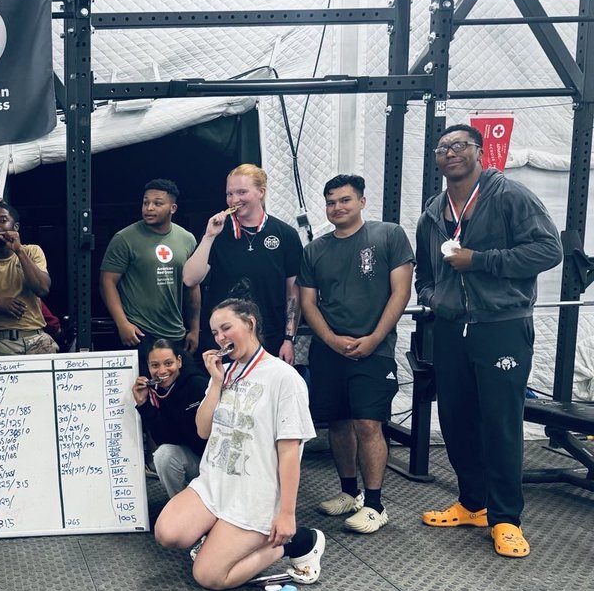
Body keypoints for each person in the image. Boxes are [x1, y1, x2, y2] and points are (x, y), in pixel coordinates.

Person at [415, 124, 562, 558]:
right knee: (457, 418)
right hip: (451, 326)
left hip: (501, 323)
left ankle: (506, 519)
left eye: (459, 145)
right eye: (442, 149)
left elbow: (548, 250)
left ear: (479, 152)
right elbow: (426, 270)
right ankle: (473, 503)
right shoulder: (432, 210)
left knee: (500, 421)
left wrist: (478, 260)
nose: (450, 153)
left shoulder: (509, 196)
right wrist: (434, 297)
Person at [153, 298, 324, 590]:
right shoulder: (226, 372)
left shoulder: (284, 378)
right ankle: (219, 533)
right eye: (215, 332)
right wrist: (217, 382)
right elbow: (202, 430)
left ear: (250, 324)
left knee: (208, 576)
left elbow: (289, 453)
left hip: (254, 493)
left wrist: (286, 514)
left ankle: (298, 543)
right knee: (167, 532)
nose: (220, 337)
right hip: (215, 483)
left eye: (226, 328)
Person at [298, 174, 414, 534]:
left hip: (374, 349)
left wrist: (375, 337)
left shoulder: (388, 235)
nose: (337, 208)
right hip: (329, 350)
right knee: (337, 422)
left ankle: (376, 504)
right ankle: (349, 493)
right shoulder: (314, 249)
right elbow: (307, 302)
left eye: (345, 200)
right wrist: (331, 340)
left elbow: (401, 292)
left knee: (368, 422)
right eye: (331, 202)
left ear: (362, 202)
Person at [183, 164, 303, 362]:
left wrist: (289, 338)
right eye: (229, 194)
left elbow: (293, 292)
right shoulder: (219, 232)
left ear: (261, 192)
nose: (234, 199)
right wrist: (209, 236)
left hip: (268, 338)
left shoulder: (285, 235)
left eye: (242, 192)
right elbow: (189, 279)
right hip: (223, 341)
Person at [101, 178, 199, 372]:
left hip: (175, 332)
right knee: (144, 391)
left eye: (157, 203)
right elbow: (107, 283)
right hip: (139, 332)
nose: (149, 208)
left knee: (177, 388)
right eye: (146, 202)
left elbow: (192, 286)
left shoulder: (187, 239)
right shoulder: (125, 238)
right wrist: (122, 324)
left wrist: (195, 329)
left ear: (173, 208)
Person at [0, 203, 58, 355]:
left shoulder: (32, 251)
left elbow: (43, 289)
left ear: (15, 227)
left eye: (3, 220)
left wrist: (19, 251)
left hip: (36, 338)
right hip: (0, 343)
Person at [131, 339, 206, 499]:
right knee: (163, 455)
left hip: (216, 461)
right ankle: (180, 505)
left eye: (168, 363)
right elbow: (164, 438)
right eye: (155, 365)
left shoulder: (197, 384)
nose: (162, 370)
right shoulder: (155, 394)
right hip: (195, 459)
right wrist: (144, 404)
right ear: (148, 366)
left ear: (179, 361)